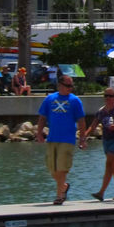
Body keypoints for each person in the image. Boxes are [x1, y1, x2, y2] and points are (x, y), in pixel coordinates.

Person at [36, 72, 88, 204]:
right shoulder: (49, 99)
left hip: (67, 139)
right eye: (67, 85)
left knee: (62, 168)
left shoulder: (75, 101)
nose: (70, 88)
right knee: (52, 169)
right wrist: (39, 132)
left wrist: (82, 138)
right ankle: (64, 187)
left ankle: (59, 196)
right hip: (52, 138)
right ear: (59, 85)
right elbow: (42, 117)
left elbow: (81, 121)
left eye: (71, 86)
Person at [89, 88, 114, 201]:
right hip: (107, 140)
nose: (108, 98)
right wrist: (83, 137)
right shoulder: (101, 111)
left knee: (109, 163)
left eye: (111, 96)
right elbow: (93, 126)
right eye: (106, 96)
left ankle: (101, 192)